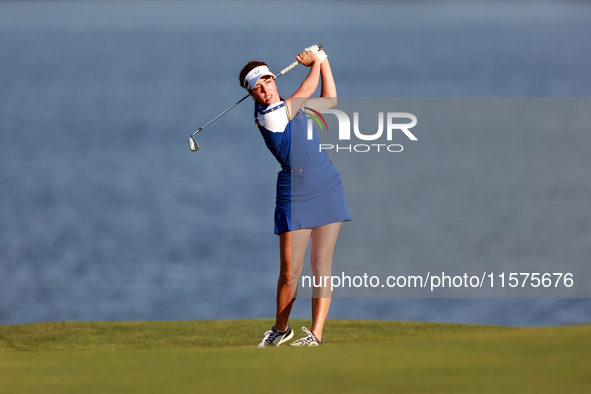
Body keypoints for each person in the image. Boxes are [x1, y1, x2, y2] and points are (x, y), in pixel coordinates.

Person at [239, 46, 352, 347]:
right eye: (258, 88)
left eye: (268, 82)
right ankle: (281, 328)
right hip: (296, 193)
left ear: (275, 80)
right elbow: (309, 85)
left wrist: (324, 59)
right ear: (253, 95)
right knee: (290, 272)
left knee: (322, 264)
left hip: (327, 185)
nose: (265, 91)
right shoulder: (269, 117)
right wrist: (314, 62)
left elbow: (329, 99)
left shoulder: (296, 107)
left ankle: (315, 335)